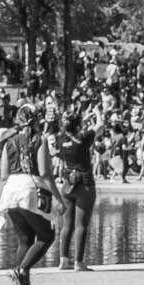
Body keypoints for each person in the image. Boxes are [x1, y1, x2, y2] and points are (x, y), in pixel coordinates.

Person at [51, 113, 98, 272]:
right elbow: (101, 125)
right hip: (84, 183)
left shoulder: (61, 139)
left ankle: (63, 260)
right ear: (78, 125)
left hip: (68, 183)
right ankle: (79, 262)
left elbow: (72, 132)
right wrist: (97, 113)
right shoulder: (83, 139)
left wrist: (81, 120)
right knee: (81, 225)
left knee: (66, 225)